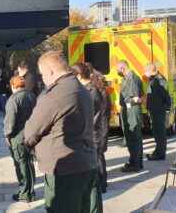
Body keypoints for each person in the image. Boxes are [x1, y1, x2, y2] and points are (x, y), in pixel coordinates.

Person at [24, 51, 97, 213]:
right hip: (85, 162)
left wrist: (29, 148)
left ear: (50, 71)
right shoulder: (81, 88)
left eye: (42, 74)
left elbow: (30, 132)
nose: (42, 78)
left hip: (64, 169)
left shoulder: (54, 94)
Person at [71, 62, 103, 212]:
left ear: (78, 75)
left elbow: (87, 117)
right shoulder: (91, 89)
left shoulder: (89, 91)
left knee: (92, 182)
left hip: (91, 137)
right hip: (92, 136)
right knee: (91, 180)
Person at [3, 76, 37, 203]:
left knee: (21, 165)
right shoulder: (32, 96)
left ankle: (24, 193)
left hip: (18, 136)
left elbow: (9, 121)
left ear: (13, 86)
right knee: (29, 164)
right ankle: (31, 192)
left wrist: (6, 135)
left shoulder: (13, 99)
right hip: (30, 134)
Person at [116, 60, 144, 172]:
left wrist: (125, 106)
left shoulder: (132, 79)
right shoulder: (126, 78)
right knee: (135, 137)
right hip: (128, 110)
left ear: (123, 67)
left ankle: (135, 164)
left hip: (131, 111)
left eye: (118, 70)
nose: (118, 72)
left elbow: (135, 99)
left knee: (133, 137)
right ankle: (137, 161)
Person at [144, 63, 171, 161]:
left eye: (145, 70)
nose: (145, 72)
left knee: (160, 132)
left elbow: (165, 95)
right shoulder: (153, 79)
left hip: (158, 110)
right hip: (154, 110)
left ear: (151, 69)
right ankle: (157, 151)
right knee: (156, 132)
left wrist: (165, 106)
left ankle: (160, 154)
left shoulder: (159, 79)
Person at [92, 72, 112, 193]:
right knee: (100, 157)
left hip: (100, 128)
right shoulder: (103, 92)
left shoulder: (100, 94)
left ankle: (102, 184)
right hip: (102, 127)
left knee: (99, 158)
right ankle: (103, 183)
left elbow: (102, 114)